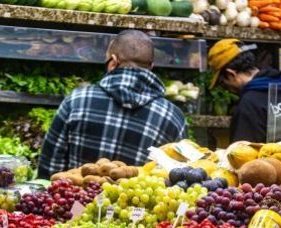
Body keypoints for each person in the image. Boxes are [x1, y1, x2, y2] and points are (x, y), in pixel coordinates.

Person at [38, 30, 187, 178]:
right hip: (138, 201)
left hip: (75, 200)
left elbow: (50, 168)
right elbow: (179, 178)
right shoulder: (173, 118)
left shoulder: (77, 100)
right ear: (151, 66)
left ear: (113, 62)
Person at [207, 39, 281, 142]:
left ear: (230, 74)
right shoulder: (280, 85)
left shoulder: (248, 104)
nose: (225, 88)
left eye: (222, 83)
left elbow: (241, 153)